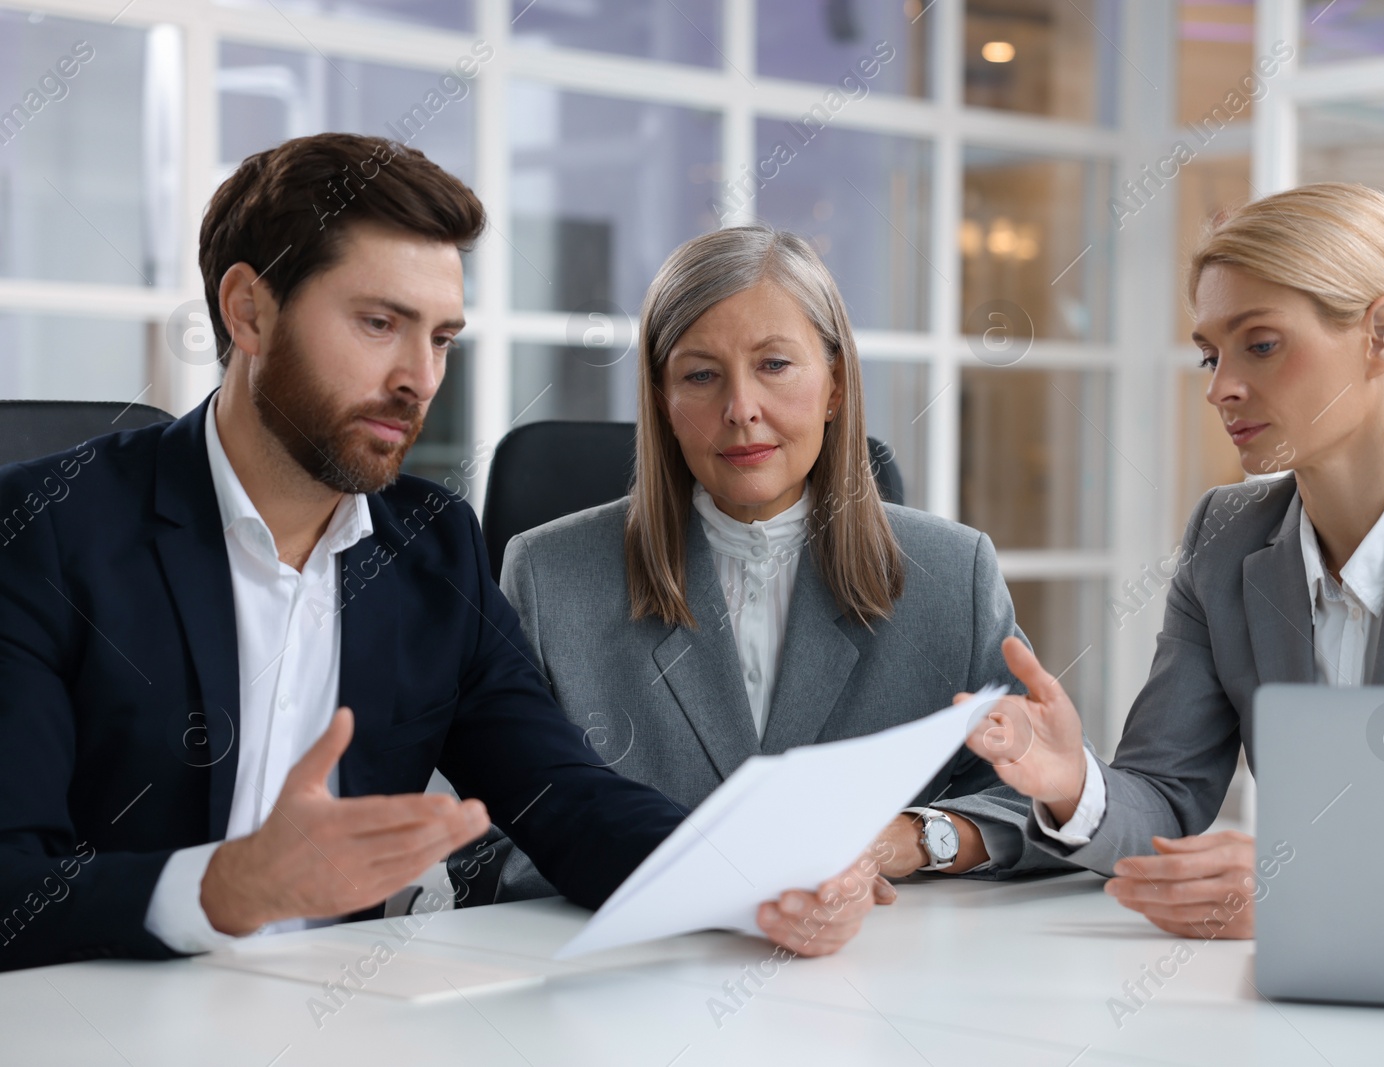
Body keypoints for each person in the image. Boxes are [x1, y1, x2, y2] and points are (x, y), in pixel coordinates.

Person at [0, 134, 876, 972]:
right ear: (248, 311)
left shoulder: (430, 544)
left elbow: (562, 796)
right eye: (380, 322)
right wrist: (220, 889)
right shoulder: (45, 531)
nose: (419, 376)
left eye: (442, 337)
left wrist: (748, 881)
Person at [961, 182, 1384, 939]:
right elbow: (1167, 796)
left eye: (1261, 344)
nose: (1223, 388)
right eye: (1210, 356)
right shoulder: (1225, 537)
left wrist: (1311, 883)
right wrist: (1074, 784)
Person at [489, 225, 1074, 896]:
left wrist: (913, 838)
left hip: (876, 977)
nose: (741, 410)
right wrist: (704, 879)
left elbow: (1050, 803)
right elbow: (487, 842)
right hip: (636, 981)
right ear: (662, 400)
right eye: (701, 375)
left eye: (774, 365)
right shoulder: (548, 575)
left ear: (834, 386)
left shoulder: (952, 574)